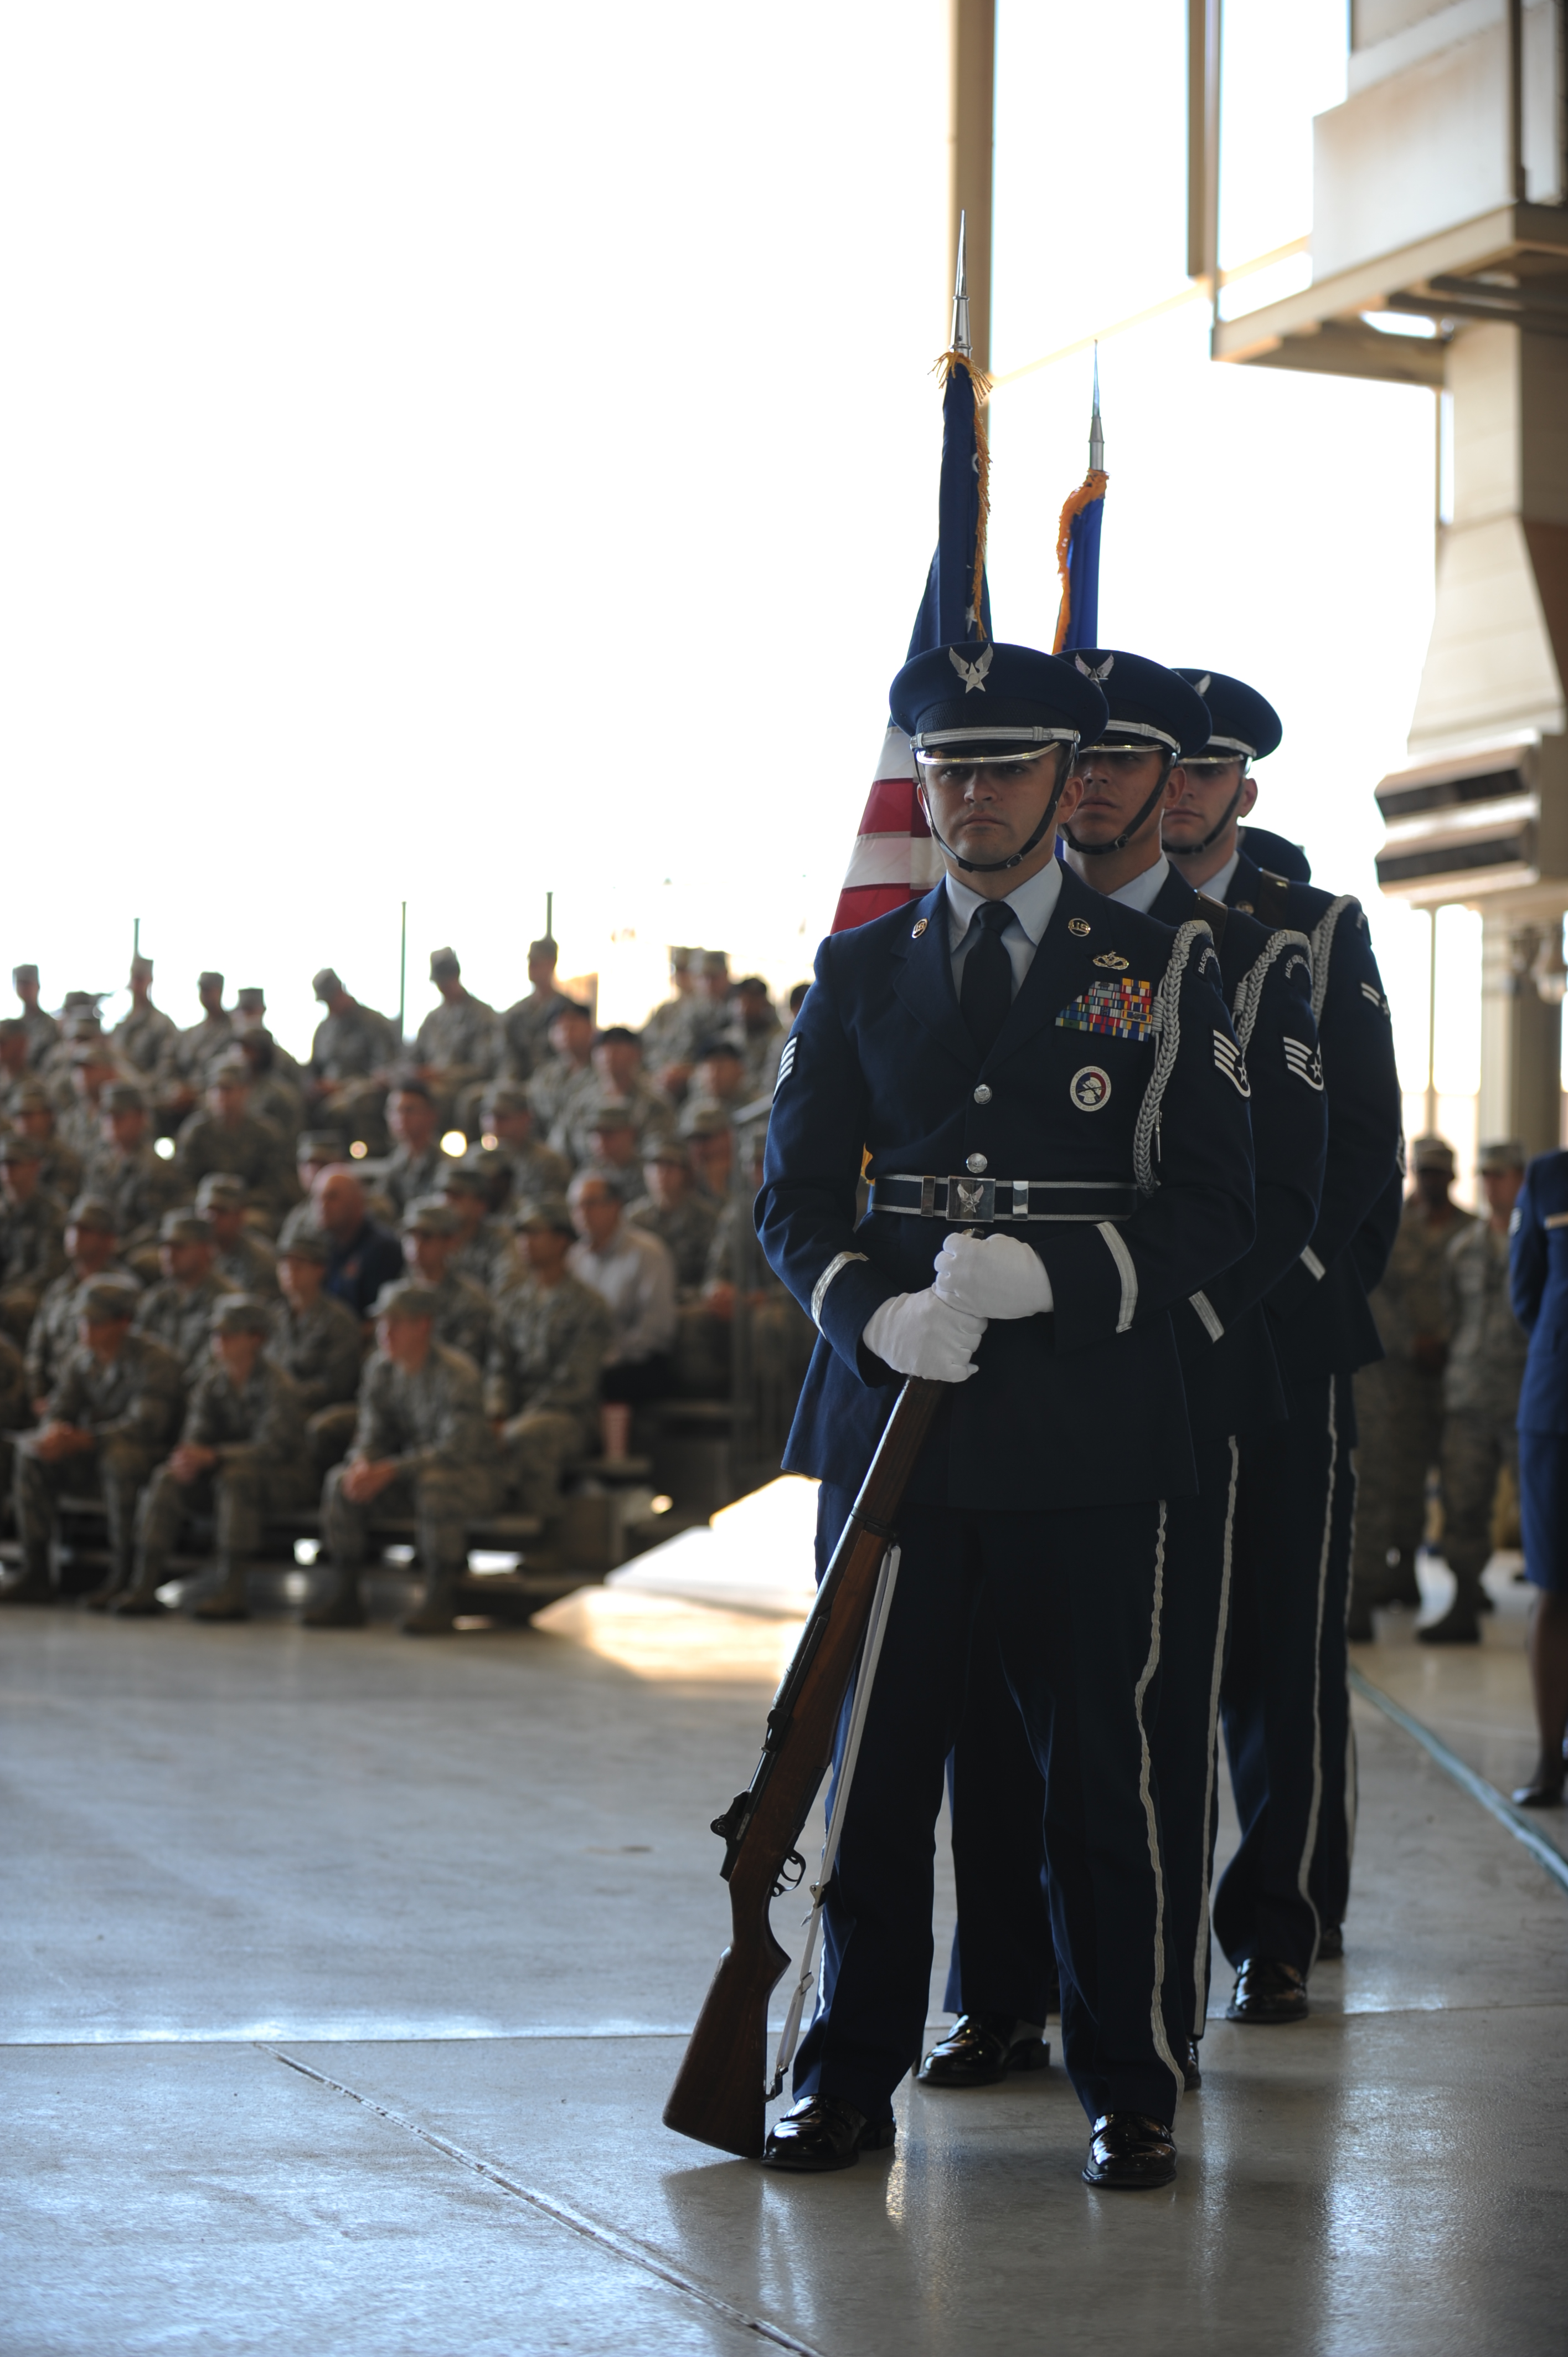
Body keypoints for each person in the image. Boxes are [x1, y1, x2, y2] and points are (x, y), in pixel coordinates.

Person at [755, 639, 1255, 2188]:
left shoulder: (1163, 970)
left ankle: (1128, 2083)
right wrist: (871, 1313)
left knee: (1096, 1776)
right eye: (949, 769)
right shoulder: (858, 970)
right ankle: (847, 2078)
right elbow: (789, 1202)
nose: (973, 794)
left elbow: (1216, 1206)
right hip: (897, 1427)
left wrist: (1061, 1276)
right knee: (878, 1776)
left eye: (1006, 766)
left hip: (1083, 1429)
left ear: (1064, 778)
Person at [927, 654, 1327, 2097]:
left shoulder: (1250, 954)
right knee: (986, 1719)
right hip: (997, 1390)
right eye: (1079, 756)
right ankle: (997, 1995)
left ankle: (1148, 2017)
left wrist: (1165, 1330)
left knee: (1139, 1729)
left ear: (1176, 781)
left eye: (1124, 759)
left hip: (1170, 1383)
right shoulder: (1003, 943)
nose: (1091, 779)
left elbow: (1290, 1197)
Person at [1163, 665, 1403, 2001]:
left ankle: (1277, 1925)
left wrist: (1289, 1285)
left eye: (1207, 771)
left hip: (1278, 1340)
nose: (1181, 790)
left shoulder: (1312, 931)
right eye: (1165, 765)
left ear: (1242, 794)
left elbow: (1364, 1145)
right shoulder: (1102, 926)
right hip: (1143, 1337)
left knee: (1279, 1644)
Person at [306, 1278, 504, 1635]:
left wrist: (392, 1470)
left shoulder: (457, 1374)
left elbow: (456, 1450)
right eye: (382, 1322)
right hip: (410, 1474)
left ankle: (441, 1597)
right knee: (341, 1481)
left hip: (470, 1478)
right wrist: (364, 1463)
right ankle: (347, 1592)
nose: (385, 1332)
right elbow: (372, 1432)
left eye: (395, 1323)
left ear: (423, 1325)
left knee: (436, 1486)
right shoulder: (380, 1369)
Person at [114, 1295, 312, 1621]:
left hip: (282, 1479)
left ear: (257, 1338)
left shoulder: (279, 1386)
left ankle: (231, 1588)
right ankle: (144, 1582)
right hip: (222, 1472)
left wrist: (215, 1456)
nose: (220, 1341)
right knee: (168, 1478)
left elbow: (275, 1448)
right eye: (217, 1334)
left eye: (230, 1334)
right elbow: (196, 1433)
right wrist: (190, 1457)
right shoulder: (211, 1383)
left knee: (237, 1478)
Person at [1349, 1135, 1474, 1636]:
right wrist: (1411, 1343)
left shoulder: (1471, 1231)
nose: (1432, 1181)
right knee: (1391, 1474)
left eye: (1440, 1172)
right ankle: (1388, 1572)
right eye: (1425, 1172)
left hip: (1457, 1372)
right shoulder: (1392, 1225)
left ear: (1453, 1177)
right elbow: (1377, 1294)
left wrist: (1449, 1343)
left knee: (1459, 1479)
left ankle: (1453, 1580)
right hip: (1397, 1373)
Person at [3, 1276, 184, 1607]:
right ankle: (36, 1570)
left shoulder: (155, 1360)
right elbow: (61, 1408)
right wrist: (55, 1433)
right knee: (33, 1454)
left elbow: (147, 1425)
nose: (86, 1329)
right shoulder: (82, 1359)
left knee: (121, 1459)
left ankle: (124, 1573)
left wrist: (86, 1439)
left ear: (124, 1322)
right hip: (96, 1450)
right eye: (83, 1321)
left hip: (146, 1454)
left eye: (97, 1322)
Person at [1424, 1140, 1529, 1644]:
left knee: (1542, 1505)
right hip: (1469, 1397)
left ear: (1522, 1180)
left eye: (1501, 1175)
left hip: (1525, 1397)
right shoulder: (1463, 1249)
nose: (1491, 1185)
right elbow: (1450, 1315)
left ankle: (1551, 1611)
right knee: (1463, 1503)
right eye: (1485, 1175)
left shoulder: (1542, 1243)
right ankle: (1464, 1601)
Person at [486, 1200, 611, 1550]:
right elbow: (499, 1368)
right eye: (522, 1235)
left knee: (526, 1436)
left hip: (570, 1415)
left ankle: (547, 1544)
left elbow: (576, 1381)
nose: (526, 1243)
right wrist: (497, 1412)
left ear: (561, 1241)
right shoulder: (513, 1303)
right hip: (517, 1414)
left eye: (536, 1234)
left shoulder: (589, 1305)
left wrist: (515, 1422)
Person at [1508, 1147, 1568, 1805]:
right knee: (1555, 1584)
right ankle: (1551, 1756)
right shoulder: (1549, 1177)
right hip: (1558, 1409)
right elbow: (1526, 1293)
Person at [566, 1172, 677, 1405]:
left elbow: (656, 1328)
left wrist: (608, 1357)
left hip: (637, 1361)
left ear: (615, 1206)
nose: (582, 1213)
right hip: (589, 1360)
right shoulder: (575, 1258)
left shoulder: (647, 1252)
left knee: (604, 1381)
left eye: (590, 1204)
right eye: (575, 1207)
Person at [24, 1198, 139, 1412]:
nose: (76, 1235)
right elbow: (37, 1347)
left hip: (99, 1403)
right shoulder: (58, 1290)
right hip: (55, 1399)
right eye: (72, 1228)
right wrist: (38, 1395)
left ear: (108, 1240)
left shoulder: (125, 1291)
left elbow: (131, 1354)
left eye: (86, 1230)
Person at [267, 1231, 365, 1475]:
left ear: (320, 1270)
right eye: (284, 1265)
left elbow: (336, 1385)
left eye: (299, 1265)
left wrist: (287, 1396)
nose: (290, 1271)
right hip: (273, 1403)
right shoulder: (273, 1318)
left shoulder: (339, 1321)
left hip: (312, 1407)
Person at [174, 1054, 297, 1224]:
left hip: (249, 1209)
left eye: (228, 1089)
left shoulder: (266, 1133)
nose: (221, 1096)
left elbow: (274, 1184)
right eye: (215, 1089)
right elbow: (183, 1181)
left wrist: (235, 1206)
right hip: (204, 1207)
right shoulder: (196, 1131)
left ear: (245, 1090)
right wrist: (210, 1205)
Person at [85, 1083, 180, 1269]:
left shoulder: (155, 1167)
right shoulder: (99, 1164)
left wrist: (119, 1247)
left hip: (134, 1249)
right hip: (105, 1246)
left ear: (140, 1118)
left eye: (120, 1117)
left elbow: (157, 1224)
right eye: (108, 1117)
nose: (112, 1123)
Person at [133, 1211, 238, 1376]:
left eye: (179, 1247)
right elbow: (139, 1351)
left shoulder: (226, 1301)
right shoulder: (157, 1298)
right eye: (165, 1246)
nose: (169, 1255)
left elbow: (212, 1367)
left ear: (205, 1249)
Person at [306, 969, 400, 1147]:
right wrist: (315, 1086)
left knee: (338, 1109)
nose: (330, 1007)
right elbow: (314, 1068)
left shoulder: (374, 1023)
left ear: (341, 992)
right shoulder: (325, 1029)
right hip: (329, 1091)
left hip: (361, 1090)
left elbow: (385, 1071)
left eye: (331, 1000)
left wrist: (343, 1087)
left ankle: (357, 1154)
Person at [400, 1198, 494, 1369]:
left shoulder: (470, 1301)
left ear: (451, 1242)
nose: (416, 1246)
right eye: (411, 1236)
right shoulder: (399, 1295)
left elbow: (466, 1365)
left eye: (426, 1237)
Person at [302, 1167, 404, 1321]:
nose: (322, 1205)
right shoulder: (318, 1246)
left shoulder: (383, 1249)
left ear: (357, 1201)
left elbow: (377, 1320)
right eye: (318, 1198)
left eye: (332, 1197)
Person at [411, 948, 501, 1122]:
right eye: (439, 981)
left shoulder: (482, 1015)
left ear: (456, 976)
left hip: (461, 1086)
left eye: (446, 980)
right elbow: (413, 1057)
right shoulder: (433, 1019)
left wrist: (441, 1074)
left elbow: (482, 1067)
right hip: (431, 1083)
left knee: (430, 1099)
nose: (443, 986)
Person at [0, 1136, 68, 1344]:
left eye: (15, 1164)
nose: (8, 1171)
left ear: (35, 1166)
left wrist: (8, 1292)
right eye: (4, 1164)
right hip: (8, 1288)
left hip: (36, 1292)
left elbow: (50, 1271)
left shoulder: (51, 1212)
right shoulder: (4, 1210)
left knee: (13, 1308)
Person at [627, 1140, 719, 1292]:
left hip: (693, 1297)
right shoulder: (634, 1219)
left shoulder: (706, 1217)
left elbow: (715, 1269)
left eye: (670, 1166)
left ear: (685, 1173)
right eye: (655, 1166)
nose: (661, 1173)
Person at [476, 1084, 571, 1206]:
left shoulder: (548, 1162)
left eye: (502, 1117)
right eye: (488, 1116)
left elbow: (552, 1208)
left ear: (525, 1118)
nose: (493, 1123)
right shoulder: (479, 1157)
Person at [158, 972, 233, 1121]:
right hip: (179, 1096)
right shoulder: (190, 1034)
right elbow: (169, 1064)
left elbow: (228, 1071)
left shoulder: (233, 1030)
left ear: (219, 991)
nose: (205, 995)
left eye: (209, 990)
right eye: (202, 990)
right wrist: (174, 1089)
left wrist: (195, 1093)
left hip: (211, 1097)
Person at [440, 1161, 520, 1297]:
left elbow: (508, 1287)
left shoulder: (499, 1237)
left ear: (481, 1204)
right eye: (446, 1196)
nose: (448, 1203)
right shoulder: (434, 1237)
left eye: (458, 1196)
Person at [195, 1173, 281, 1296]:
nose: (212, 1218)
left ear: (240, 1214)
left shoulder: (260, 1262)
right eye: (207, 1210)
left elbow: (254, 1306)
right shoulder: (194, 1250)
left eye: (222, 1211)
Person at [526, 1001, 596, 1144]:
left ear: (590, 1029)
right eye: (560, 1028)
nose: (567, 1033)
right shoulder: (545, 1075)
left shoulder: (605, 1072)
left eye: (574, 1026)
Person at [6, 1079, 83, 1205]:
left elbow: (62, 1203)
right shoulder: (8, 1156)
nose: (23, 1123)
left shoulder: (64, 1159)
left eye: (29, 1115)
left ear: (48, 1116)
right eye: (18, 1116)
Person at [500, 938, 565, 1083]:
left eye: (537, 962)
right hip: (519, 1082)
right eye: (530, 961)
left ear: (551, 963)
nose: (531, 967)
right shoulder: (516, 1013)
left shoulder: (567, 1012)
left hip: (553, 1084)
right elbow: (507, 1054)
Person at [380, 1081, 450, 1217]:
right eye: (395, 1111)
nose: (401, 1118)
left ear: (431, 1115)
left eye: (409, 1110)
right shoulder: (397, 1160)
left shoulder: (445, 1163)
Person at [111, 956, 178, 1079]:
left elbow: (166, 1069)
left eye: (140, 979)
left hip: (146, 1086)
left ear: (149, 980)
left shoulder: (161, 1024)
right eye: (134, 978)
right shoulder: (123, 1024)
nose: (136, 984)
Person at [734, 975, 785, 1097]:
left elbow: (771, 1085)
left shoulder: (780, 1039)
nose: (747, 1008)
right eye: (743, 1001)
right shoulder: (729, 1039)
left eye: (754, 1001)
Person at [12, 965, 59, 1068]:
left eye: (27, 984)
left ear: (37, 986)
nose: (24, 989)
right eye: (20, 984)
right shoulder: (14, 1026)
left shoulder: (49, 1024)